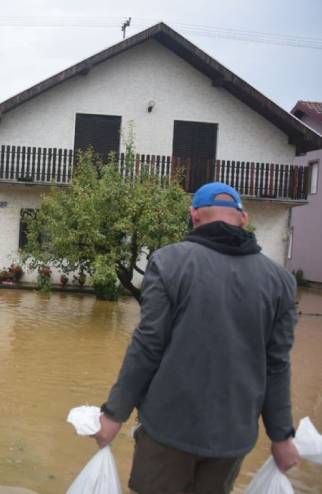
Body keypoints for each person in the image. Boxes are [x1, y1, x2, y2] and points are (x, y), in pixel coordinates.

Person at [93, 182, 300, 494]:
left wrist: (114, 414)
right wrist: (282, 436)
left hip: (167, 430)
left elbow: (148, 345)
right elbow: (277, 365)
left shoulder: (168, 262)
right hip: (233, 437)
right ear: (243, 218)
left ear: (194, 215)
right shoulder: (281, 281)